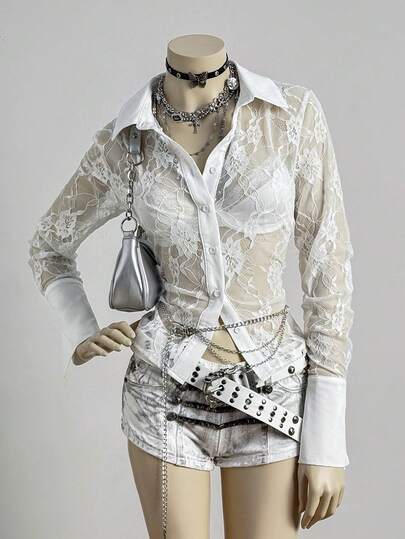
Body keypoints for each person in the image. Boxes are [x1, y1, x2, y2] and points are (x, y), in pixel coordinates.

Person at [28, 35, 354, 539]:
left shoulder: (290, 116)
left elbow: (327, 264)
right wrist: (81, 328)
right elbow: (49, 246)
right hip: (163, 390)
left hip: (272, 391)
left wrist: (327, 438)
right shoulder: (125, 142)